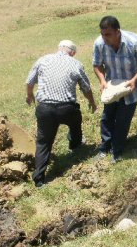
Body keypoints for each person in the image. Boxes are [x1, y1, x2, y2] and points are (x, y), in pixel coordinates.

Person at [26, 40, 97, 187]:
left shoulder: (43, 60)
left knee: (44, 142)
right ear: (73, 52)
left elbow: (30, 81)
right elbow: (86, 87)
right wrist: (92, 102)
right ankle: (75, 144)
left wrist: (30, 95)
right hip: (67, 109)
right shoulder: (75, 64)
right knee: (76, 121)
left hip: (45, 109)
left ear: (59, 48)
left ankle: (39, 179)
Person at [93, 16, 137, 163]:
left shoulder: (134, 43)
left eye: (108, 34)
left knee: (122, 121)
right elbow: (97, 65)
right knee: (107, 118)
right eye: (102, 34)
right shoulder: (99, 43)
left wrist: (134, 80)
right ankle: (104, 147)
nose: (104, 37)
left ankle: (117, 151)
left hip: (130, 88)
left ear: (117, 31)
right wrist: (102, 80)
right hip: (111, 88)